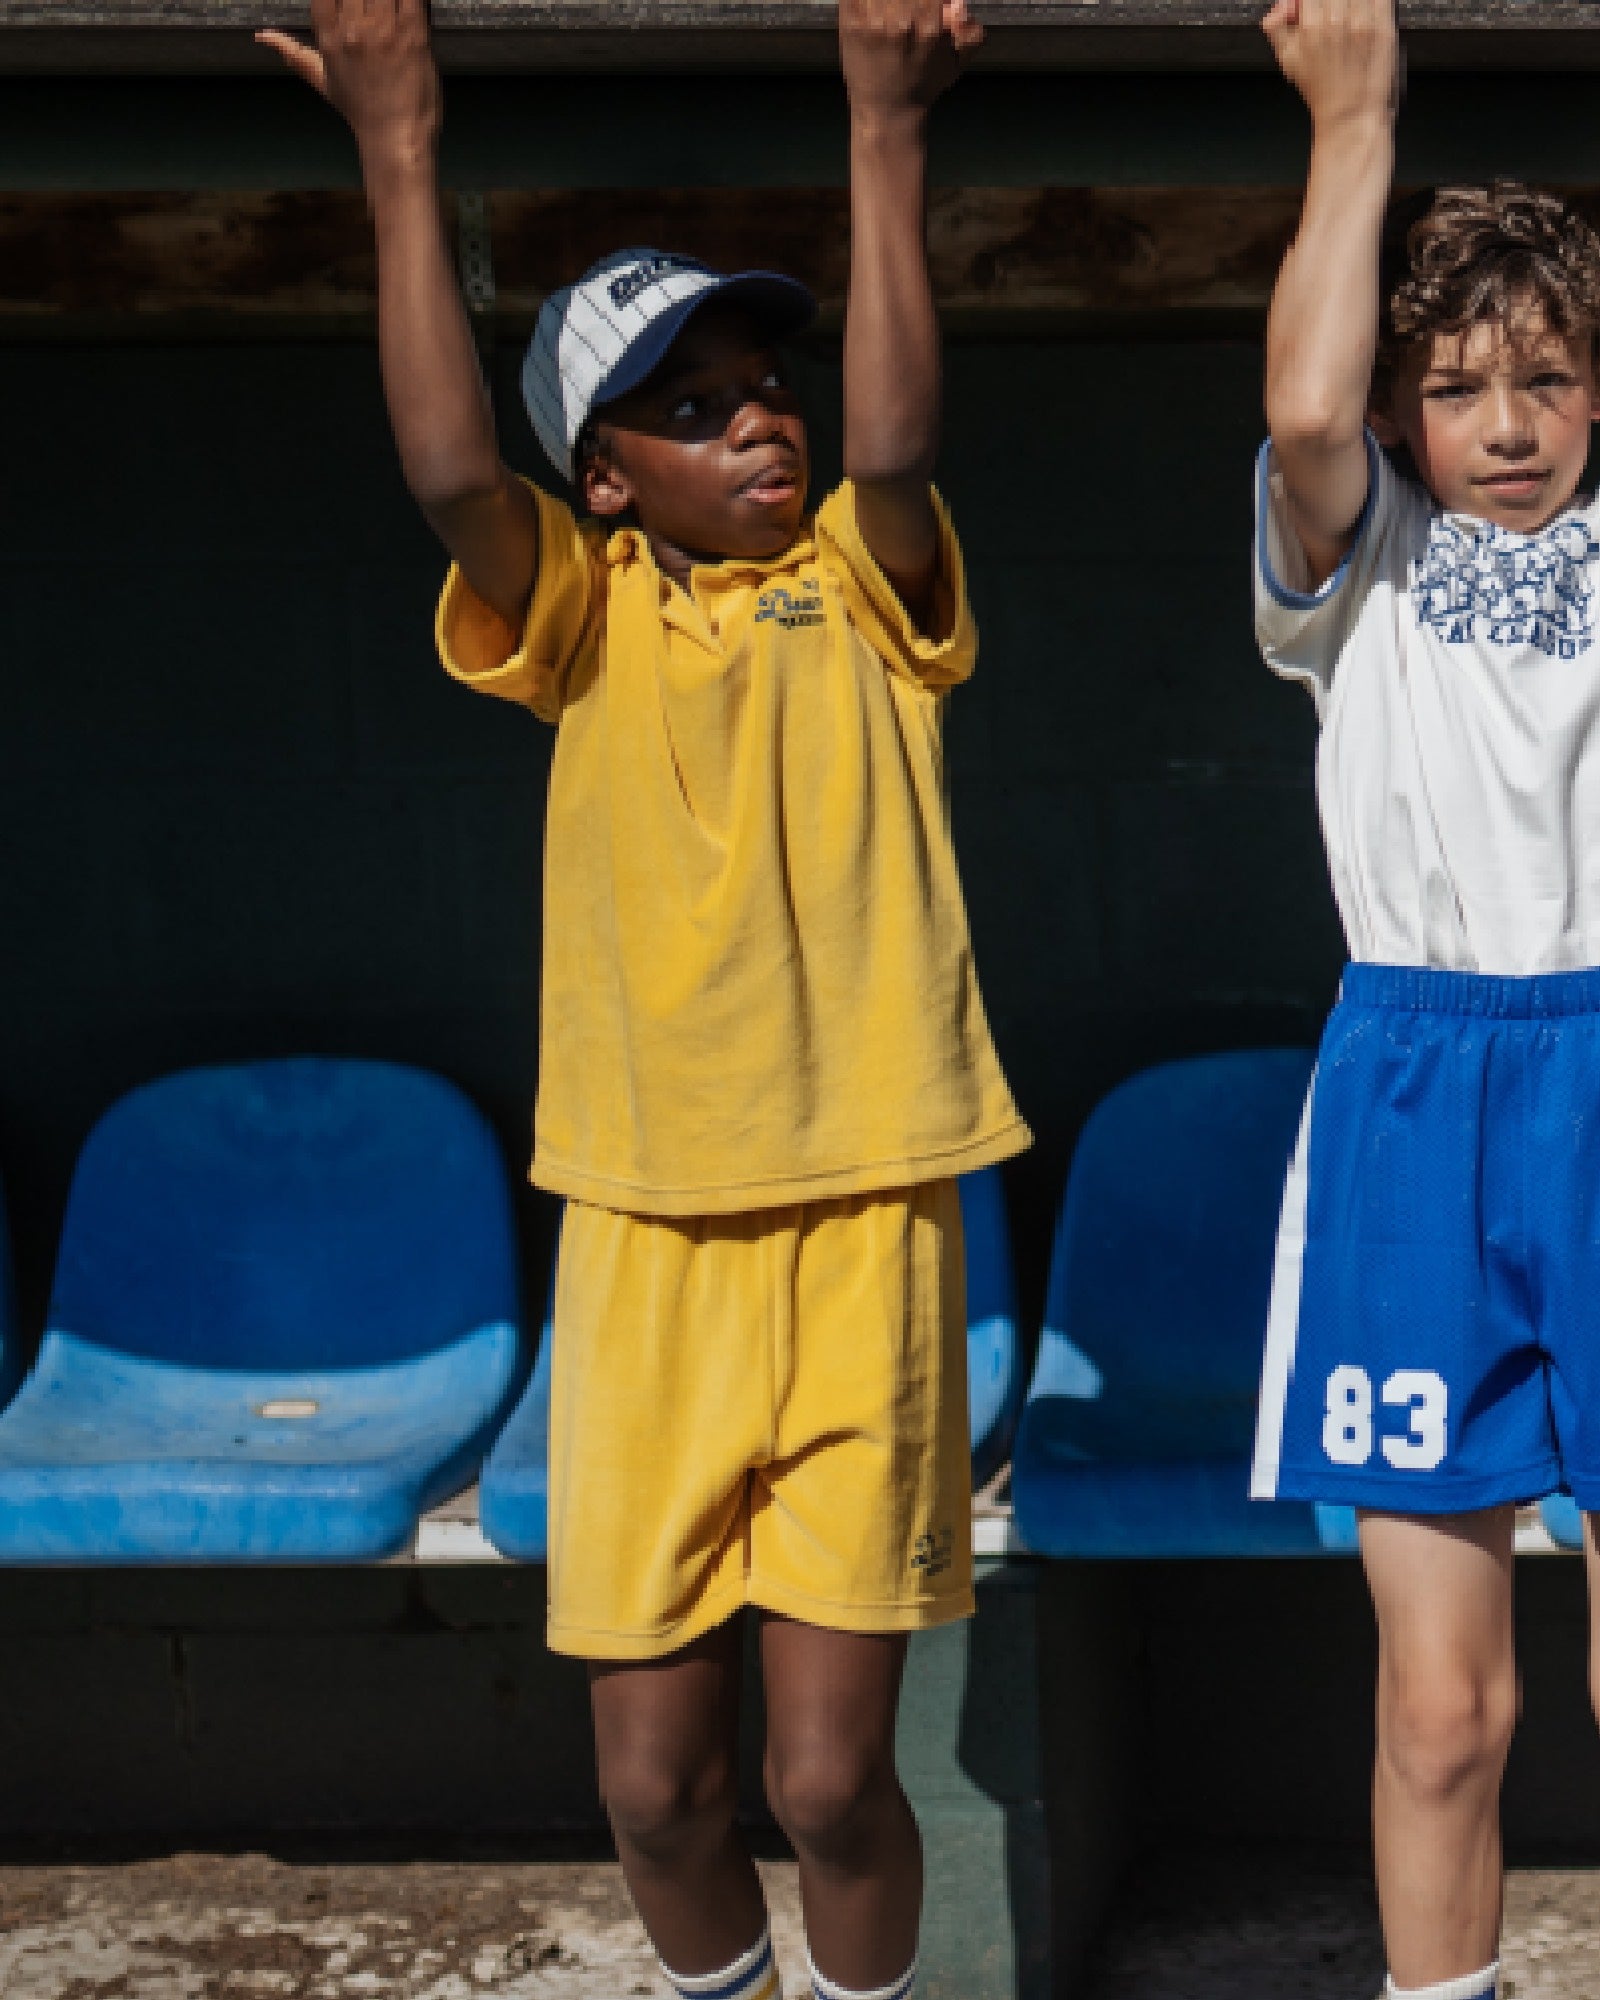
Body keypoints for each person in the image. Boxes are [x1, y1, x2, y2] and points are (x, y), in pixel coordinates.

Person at [260, 2, 1029, 1996]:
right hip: (643, 1246)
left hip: (868, 1224)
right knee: (658, 1793)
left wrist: (880, 120)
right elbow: (445, 466)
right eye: (689, 408)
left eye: (761, 382)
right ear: (602, 481)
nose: (754, 420)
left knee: (832, 1777)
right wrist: (399, 138)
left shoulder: (864, 585)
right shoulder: (577, 619)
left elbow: (904, 441)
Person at [1249, 2, 1600, 1996]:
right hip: (1411, 1090)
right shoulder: (1350, 551)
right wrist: (1351, 111)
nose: (1507, 421)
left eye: (1545, 377)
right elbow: (1301, 413)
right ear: (1401, 406)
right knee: (1439, 1710)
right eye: (1458, 383)